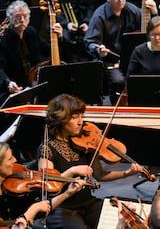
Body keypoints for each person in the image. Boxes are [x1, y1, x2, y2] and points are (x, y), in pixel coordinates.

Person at [35, 93, 145, 229]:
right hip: (62, 208)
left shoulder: (83, 142)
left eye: (82, 116)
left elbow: (100, 175)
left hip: (88, 203)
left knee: (123, 219)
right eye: (75, 117)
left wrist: (127, 173)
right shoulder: (47, 148)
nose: (80, 122)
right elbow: (46, 184)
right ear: (61, 119)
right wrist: (72, 171)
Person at [84, 0, 158, 105]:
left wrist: (154, 12)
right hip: (111, 63)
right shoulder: (99, 16)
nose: (121, 0)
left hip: (132, 60)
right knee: (120, 81)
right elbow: (90, 42)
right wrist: (98, 49)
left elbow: (152, 28)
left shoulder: (132, 10)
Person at [0, 142, 85, 228]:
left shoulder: (14, 185)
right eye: (10, 158)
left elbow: (45, 207)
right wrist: (33, 209)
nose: (15, 160)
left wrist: (67, 193)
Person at [0, 0, 62, 105]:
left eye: (25, 16)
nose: (22, 20)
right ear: (10, 18)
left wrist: (58, 37)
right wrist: (8, 82)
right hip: (13, 87)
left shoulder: (31, 32)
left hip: (34, 85)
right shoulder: (2, 38)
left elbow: (48, 51)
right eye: (18, 16)